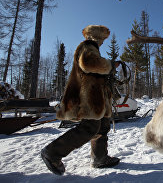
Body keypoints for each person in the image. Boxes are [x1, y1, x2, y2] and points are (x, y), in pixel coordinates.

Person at [41, 25, 120, 175]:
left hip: (97, 97)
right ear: (96, 37)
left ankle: (100, 158)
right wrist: (110, 65)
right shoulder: (87, 46)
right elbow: (89, 63)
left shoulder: (92, 48)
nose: (103, 42)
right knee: (89, 127)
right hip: (88, 97)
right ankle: (52, 153)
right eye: (102, 39)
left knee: (102, 126)